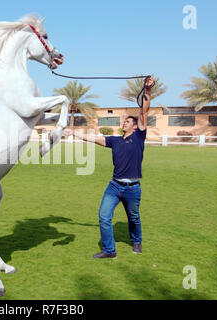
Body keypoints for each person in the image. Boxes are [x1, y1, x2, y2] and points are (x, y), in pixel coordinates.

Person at [63, 76, 154, 259]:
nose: (124, 123)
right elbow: (95, 139)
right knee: (104, 217)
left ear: (136, 127)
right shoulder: (115, 140)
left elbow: (143, 113)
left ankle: (136, 240)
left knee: (134, 218)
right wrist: (74, 133)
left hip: (133, 188)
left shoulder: (138, 137)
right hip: (114, 186)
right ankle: (109, 251)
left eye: (128, 122)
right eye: (124, 121)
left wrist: (148, 90)